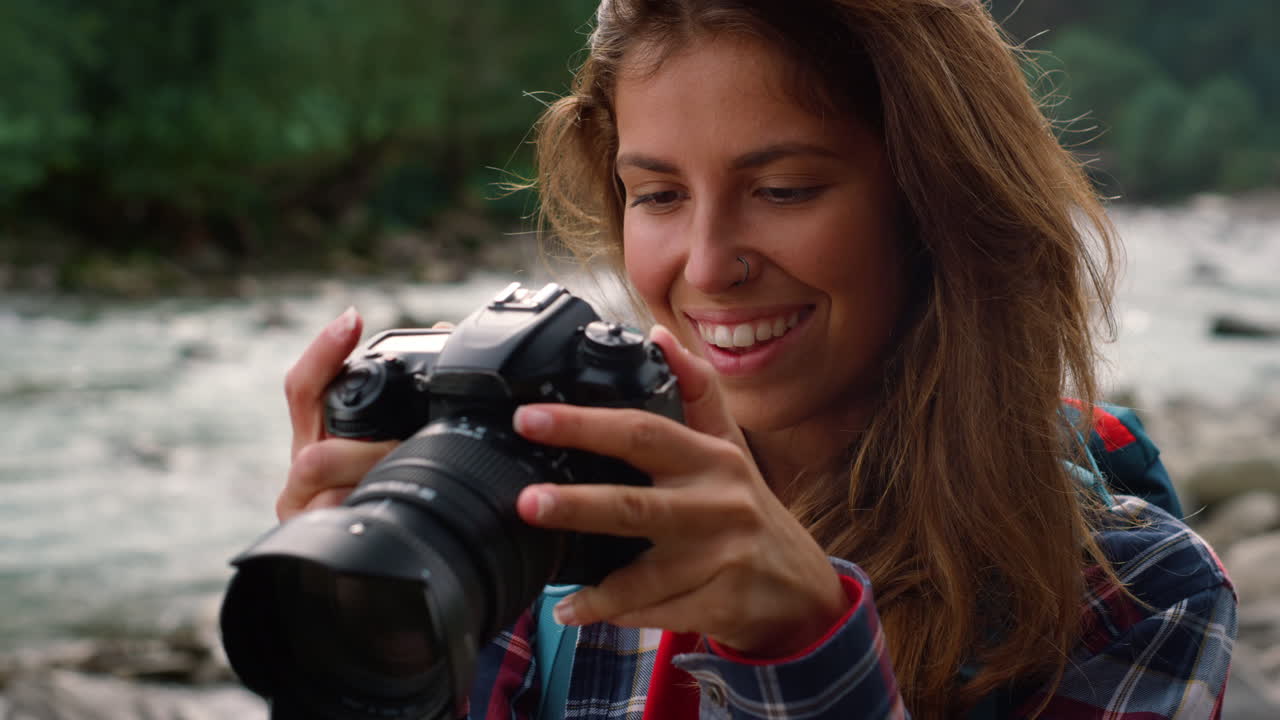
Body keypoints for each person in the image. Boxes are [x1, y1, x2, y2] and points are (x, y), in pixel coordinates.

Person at [279, 1, 1237, 717]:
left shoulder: (1136, 596)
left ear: (936, 207)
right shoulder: (554, 530)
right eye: (658, 195)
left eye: (782, 190)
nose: (706, 267)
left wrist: (806, 648)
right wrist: (368, 629)